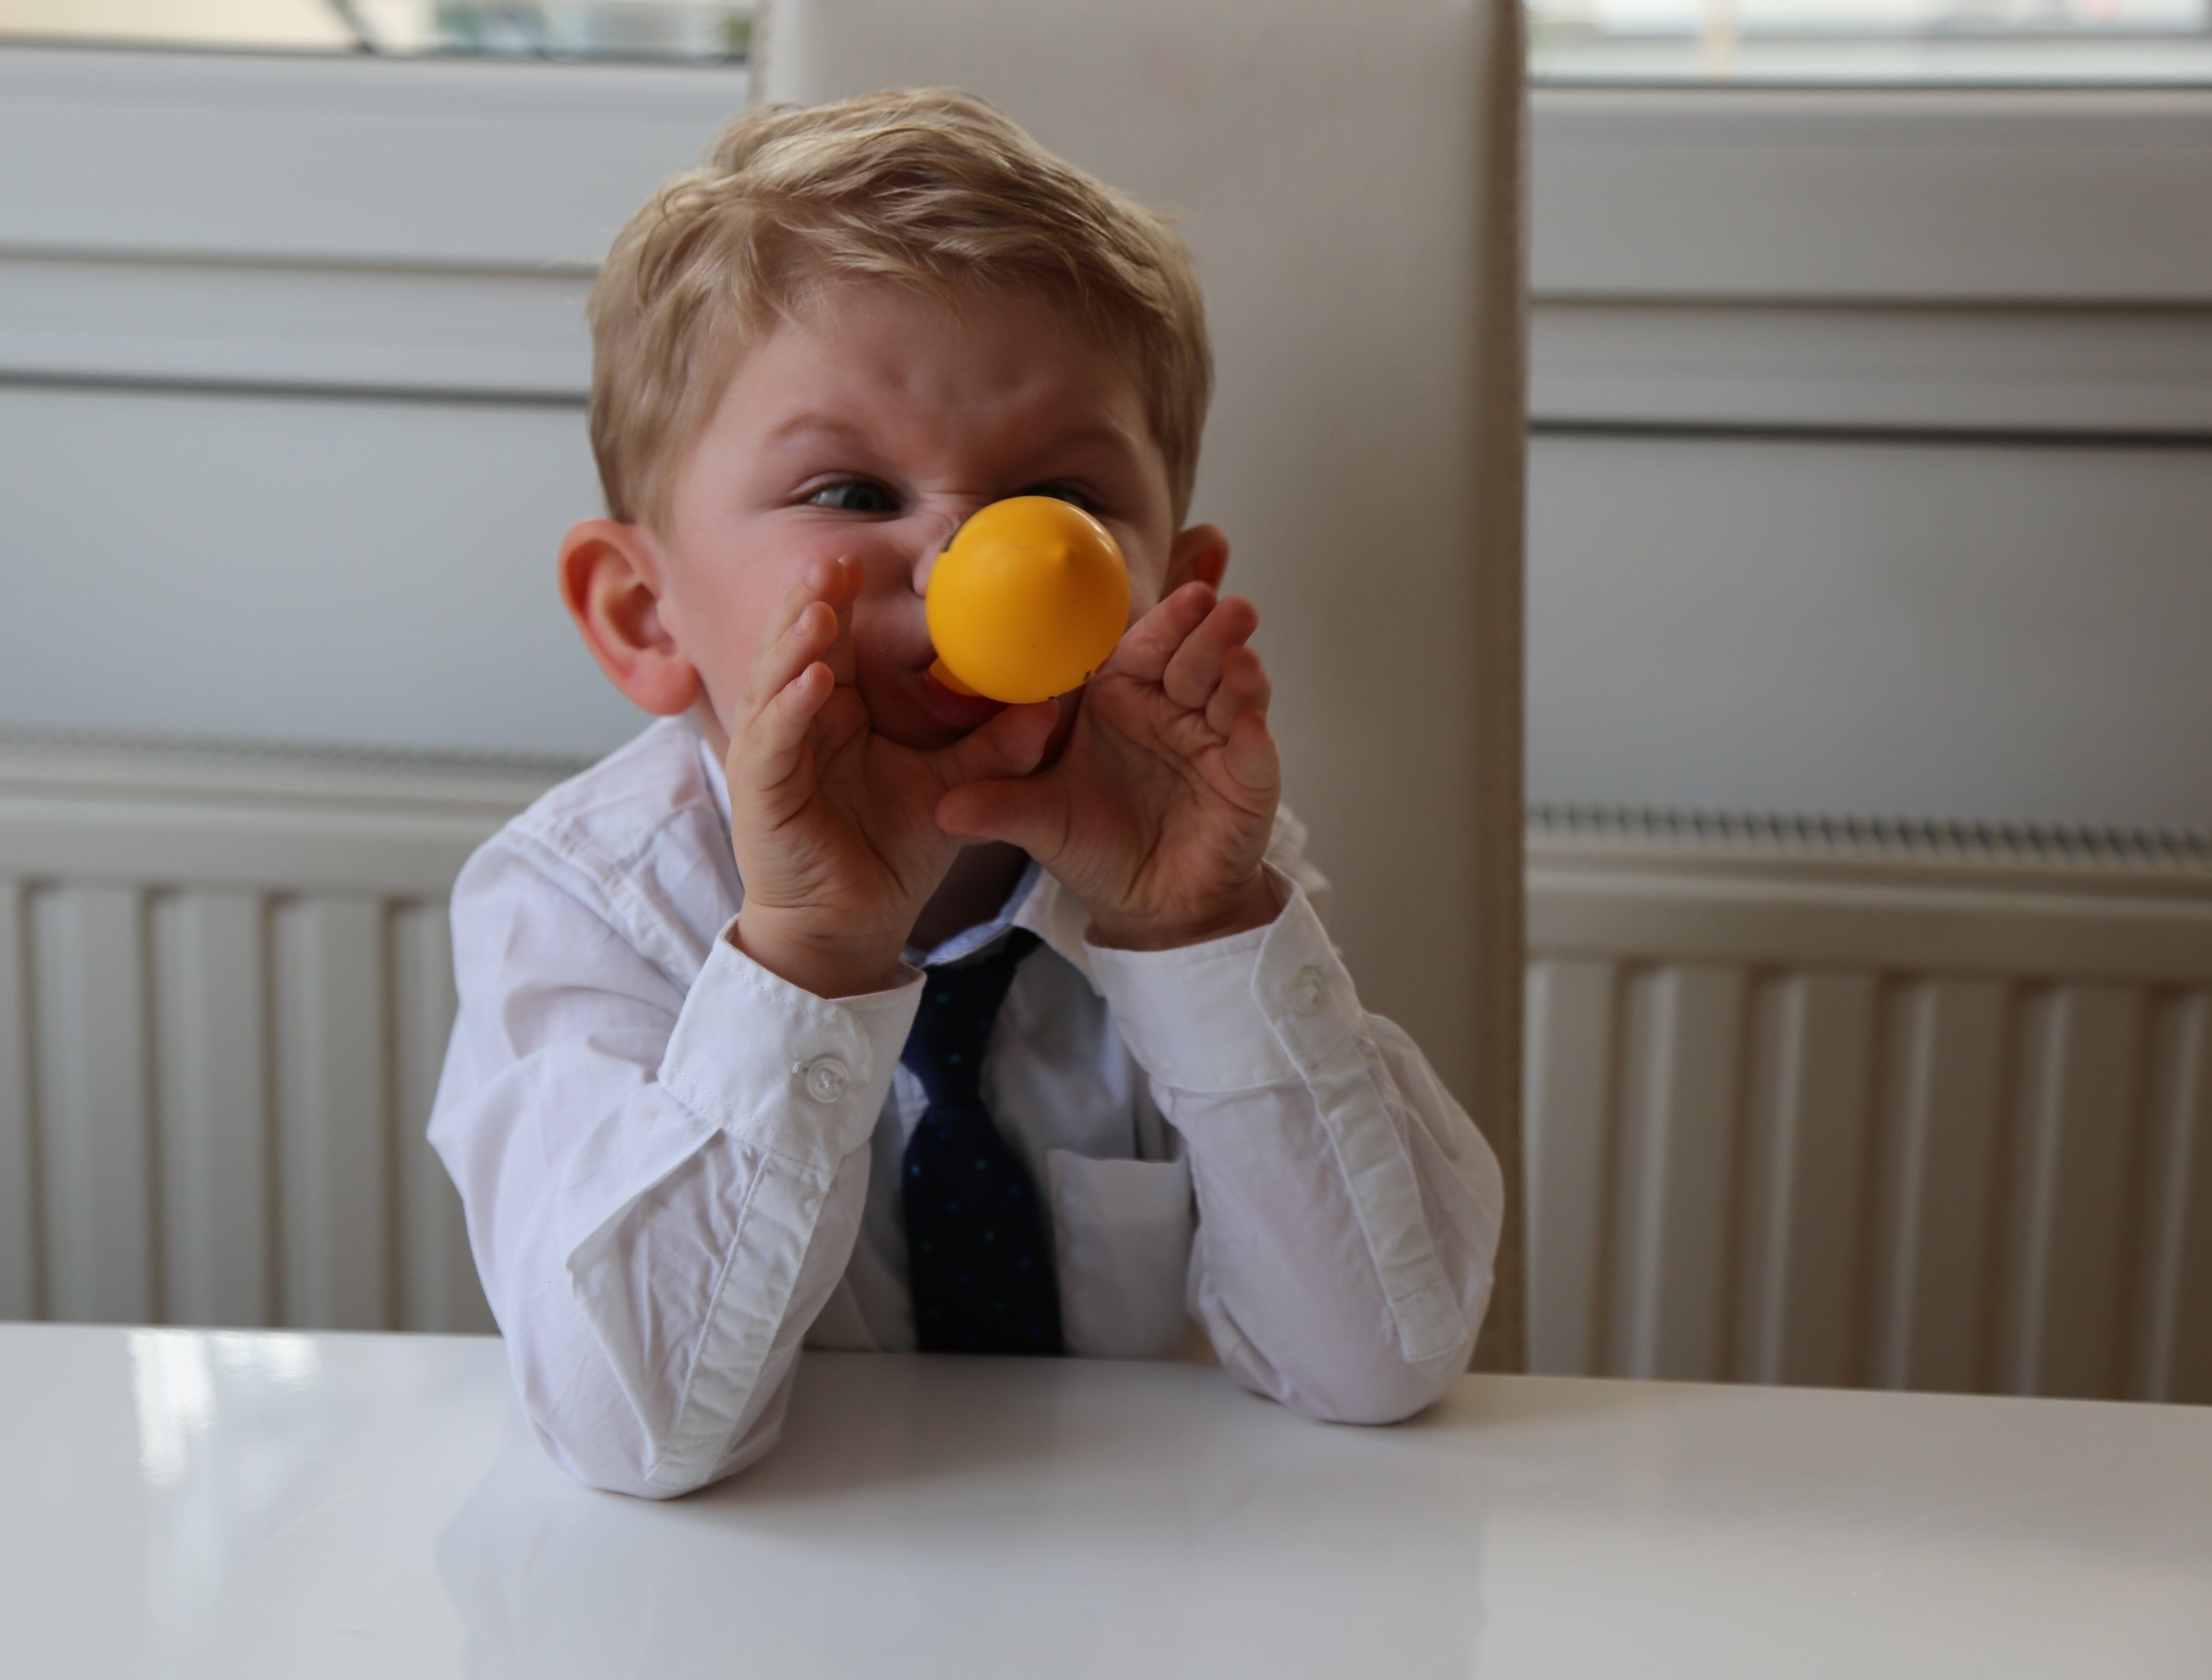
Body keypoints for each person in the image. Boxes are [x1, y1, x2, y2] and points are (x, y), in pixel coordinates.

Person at [427, 88, 1501, 1499]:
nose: (965, 561)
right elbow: (635, 1433)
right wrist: (809, 954)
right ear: (644, 613)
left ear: (1166, 593)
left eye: (1060, 500)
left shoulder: (1196, 879)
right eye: (851, 494)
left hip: (1138, 1563)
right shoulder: (581, 907)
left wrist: (1199, 931)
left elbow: (1380, 1363)